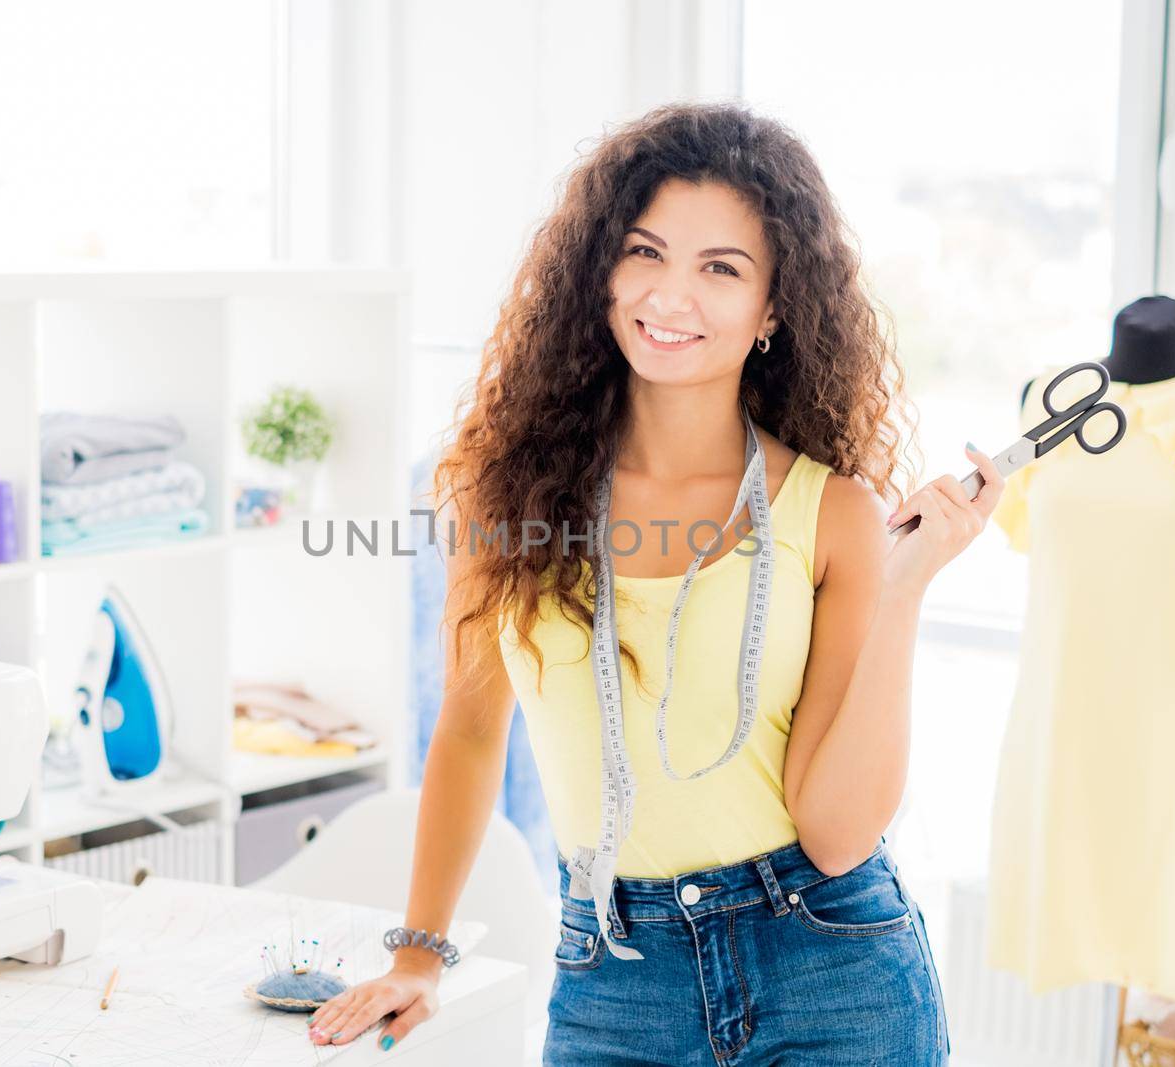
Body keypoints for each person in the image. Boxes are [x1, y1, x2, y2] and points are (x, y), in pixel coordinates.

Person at [306, 100, 1003, 1064]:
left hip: (828, 968)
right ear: (600, 272)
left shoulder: (831, 514)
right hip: (614, 975)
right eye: (646, 252)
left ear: (773, 309)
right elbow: (469, 732)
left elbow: (838, 834)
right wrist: (419, 954)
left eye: (721, 268)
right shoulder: (499, 494)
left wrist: (905, 588)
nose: (672, 295)